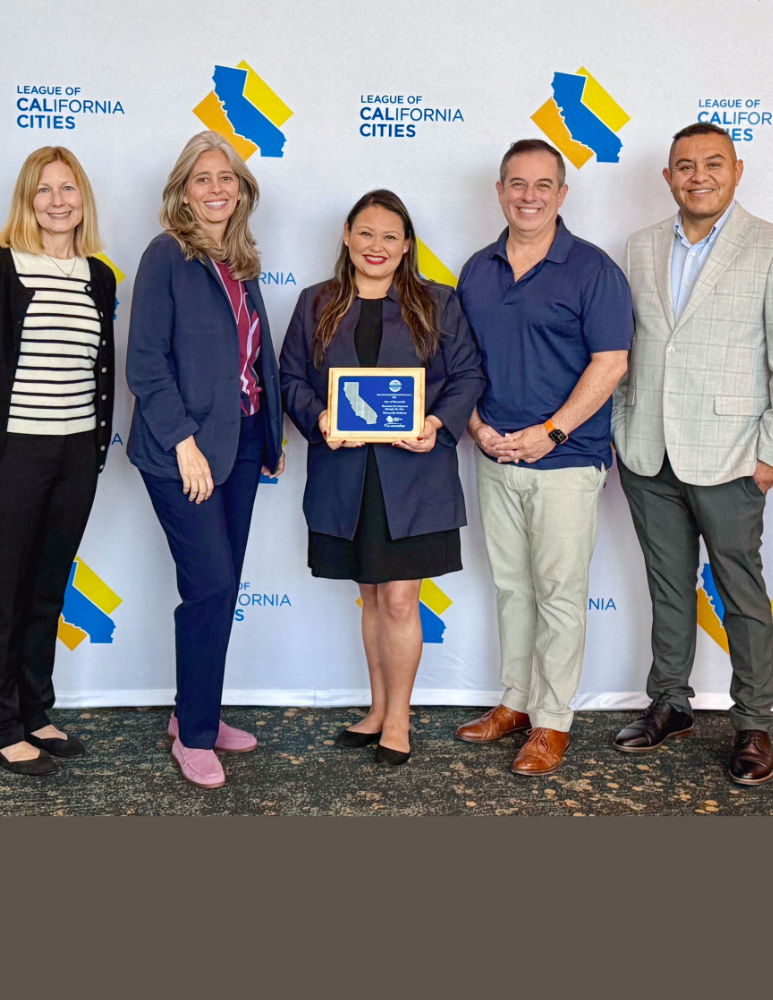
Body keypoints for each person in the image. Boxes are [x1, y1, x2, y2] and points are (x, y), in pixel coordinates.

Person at [280, 190, 484, 766]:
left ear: (407, 245)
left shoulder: (438, 303)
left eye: (390, 236)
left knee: (399, 601)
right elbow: (290, 375)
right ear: (347, 235)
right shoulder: (314, 302)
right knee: (371, 596)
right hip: (346, 475)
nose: (377, 246)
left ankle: (399, 719)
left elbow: (467, 374)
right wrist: (317, 417)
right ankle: (376, 709)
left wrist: (439, 422)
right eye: (366, 233)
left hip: (415, 476)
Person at [455, 139, 632, 776]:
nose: (528, 196)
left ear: (562, 194)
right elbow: (462, 363)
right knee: (511, 588)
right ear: (499, 191)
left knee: (559, 594)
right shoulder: (476, 269)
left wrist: (551, 433)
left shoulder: (593, 270)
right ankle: (517, 703)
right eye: (516, 184)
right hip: (494, 454)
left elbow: (611, 363)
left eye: (542, 185)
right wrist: (474, 425)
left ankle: (553, 721)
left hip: (566, 459)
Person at [611, 122, 773, 785]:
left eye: (711, 164)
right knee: (667, 585)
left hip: (732, 452)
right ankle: (670, 704)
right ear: (667, 177)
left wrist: (768, 453)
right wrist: (622, 430)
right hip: (647, 451)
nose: (696, 175)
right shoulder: (641, 245)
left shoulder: (766, 245)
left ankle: (754, 722)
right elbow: (632, 350)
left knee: (740, 592)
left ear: (736, 171)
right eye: (683, 165)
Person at [126, 131, 284, 790]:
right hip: (182, 450)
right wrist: (183, 441)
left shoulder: (239, 259)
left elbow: (254, 359)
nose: (217, 188)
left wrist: (270, 438)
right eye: (202, 178)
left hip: (242, 444)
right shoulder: (166, 256)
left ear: (242, 189)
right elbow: (145, 362)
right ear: (181, 191)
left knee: (221, 589)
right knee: (210, 586)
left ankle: (198, 710)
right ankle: (193, 736)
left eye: (228, 178)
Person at [0, 147, 115, 776]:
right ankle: (3, 721)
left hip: (77, 452)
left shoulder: (100, 275)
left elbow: (101, 371)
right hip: (17, 449)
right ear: (27, 199)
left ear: (82, 198)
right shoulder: (5, 267)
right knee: (7, 589)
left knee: (48, 586)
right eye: (43, 190)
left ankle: (36, 708)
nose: (57, 201)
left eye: (68, 188)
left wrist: (96, 448)